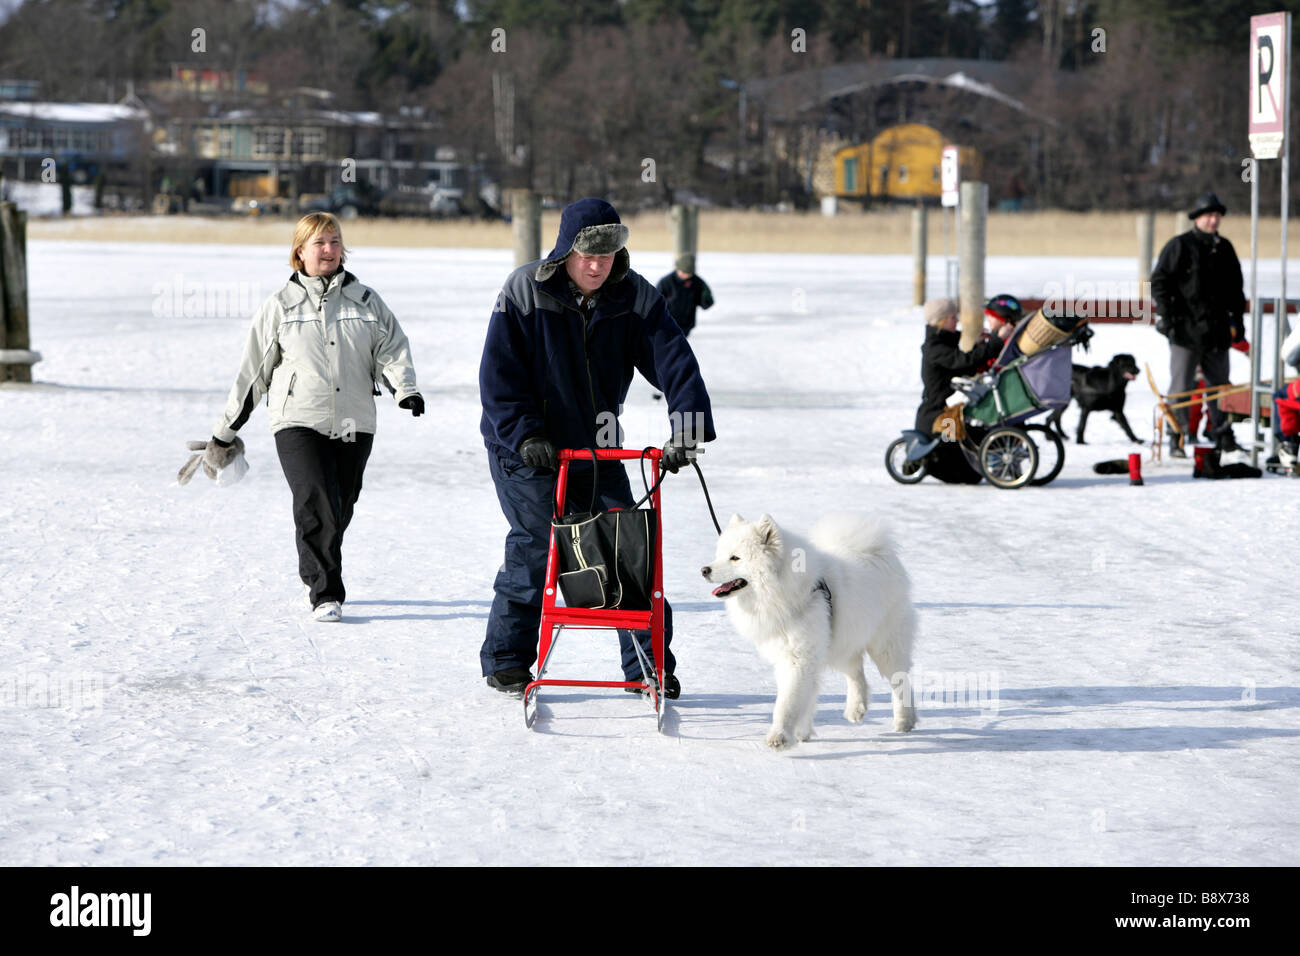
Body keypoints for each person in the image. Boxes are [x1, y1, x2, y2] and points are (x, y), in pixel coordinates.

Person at [479, 197, 716, 698]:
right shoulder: (525, 290)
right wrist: (526, 434)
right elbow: (500, 377)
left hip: (598, 449)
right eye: (587, 256)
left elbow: (676, 362)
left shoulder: (634, 297)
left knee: (630, 551)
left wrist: (688, 429)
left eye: (606, 258)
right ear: (566, 251)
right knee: (540, 545)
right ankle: (507, 658)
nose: (596, 266)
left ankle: (647, 667)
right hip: (524, 449)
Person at [197, 212, 423, 622]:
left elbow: (391, 348)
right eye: (319, 243)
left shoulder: (366, 301)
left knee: (341, 504)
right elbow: (253, 373)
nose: (329, 250)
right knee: (315, 499)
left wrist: (404, 389)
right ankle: (324, 591)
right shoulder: (281, 305)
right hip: (297, 419)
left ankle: (320, 567)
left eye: (335, 242)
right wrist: (225, 431)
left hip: (355, 420)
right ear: (299, 251)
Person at [1150, 191, 1248, 457]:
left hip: (1217, 331)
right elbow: (1159, 282)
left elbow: (1236, 289)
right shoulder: (1179, 245)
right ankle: (1177, 436)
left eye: (1217, 216)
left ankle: (1223, 435)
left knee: (1220, 386)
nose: (1213, 221)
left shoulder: (1224, 248)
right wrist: (1167, 318)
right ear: (1197, 218)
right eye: (1208, 216)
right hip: (1185, 330)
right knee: (1181, 386)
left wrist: (1238, 321)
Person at [913, 297, 1012, 484]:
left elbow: (962, 366)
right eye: (952, 317)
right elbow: (963, 362)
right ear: (940, 320)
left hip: (950, 409)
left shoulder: (942, 343)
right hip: (939, 415)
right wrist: (997, 341)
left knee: (973, 468)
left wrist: (979, 346)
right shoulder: (935, 348)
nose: (956, 320)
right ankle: (926, 463)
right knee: (966, 473)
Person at [656, 254, 714, 337]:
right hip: (666, 324)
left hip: (686, 326)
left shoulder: (697, 283)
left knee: (679, 348)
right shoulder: (666, 282)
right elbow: (656, 303)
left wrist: (706, 298)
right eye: (683, 272)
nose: (685, 275)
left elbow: (706, 304)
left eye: (688, 273)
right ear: (678, 269)